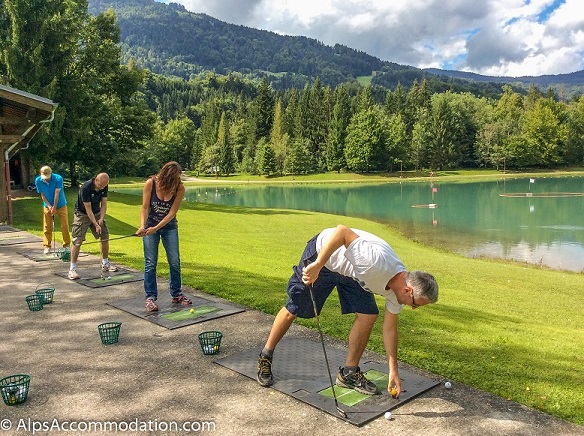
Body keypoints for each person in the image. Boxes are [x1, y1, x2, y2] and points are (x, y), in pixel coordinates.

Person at [256, 224, 438, 397]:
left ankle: (349, 373)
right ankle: (266, 355)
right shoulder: (375, 263)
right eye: (415, 304)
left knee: (368, 314)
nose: (412, 307)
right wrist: (318, 265)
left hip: (352, 272)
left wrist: (393, 370)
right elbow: (342, 232)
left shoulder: (398, 291)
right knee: (295, 308)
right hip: (325, 256)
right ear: (408, 290)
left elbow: (389, 329)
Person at [136, 161, 191, 312]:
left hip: (169, 227)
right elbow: (145, 207)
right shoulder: (151, 183)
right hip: (150, 226)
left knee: (174, 261)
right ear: (167, 177)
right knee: (150, 262)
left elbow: (172, 213)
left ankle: (176, 294)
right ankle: (150, 298)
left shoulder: (179, 188)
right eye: (174, 179)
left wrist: (156, 228)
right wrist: (143, 226)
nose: (177, 182)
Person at [68, 173, 118, 280]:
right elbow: (88, 209)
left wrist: (101, 219)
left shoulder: (104, 185)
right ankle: (72, 269)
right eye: (101, 186)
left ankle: (105, 263)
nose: (102, 188)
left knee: (105, 236)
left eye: (104, 186)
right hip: (82, 213)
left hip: (97, 212)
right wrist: (95, 224)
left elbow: (104, 204)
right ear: (96, 180)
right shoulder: (85, 188)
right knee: (77, 240)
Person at [35, 166, 71, 254]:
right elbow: (42, 195)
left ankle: (66, 245)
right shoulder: (38, 180)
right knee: (47, 226)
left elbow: (57, 193)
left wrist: (54, 207)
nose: (46, 179)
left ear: (51, 174)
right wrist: (49, 206)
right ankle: (47, 246)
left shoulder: (58, 178)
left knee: (64, 225)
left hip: (61, 205)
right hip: (47, 206)